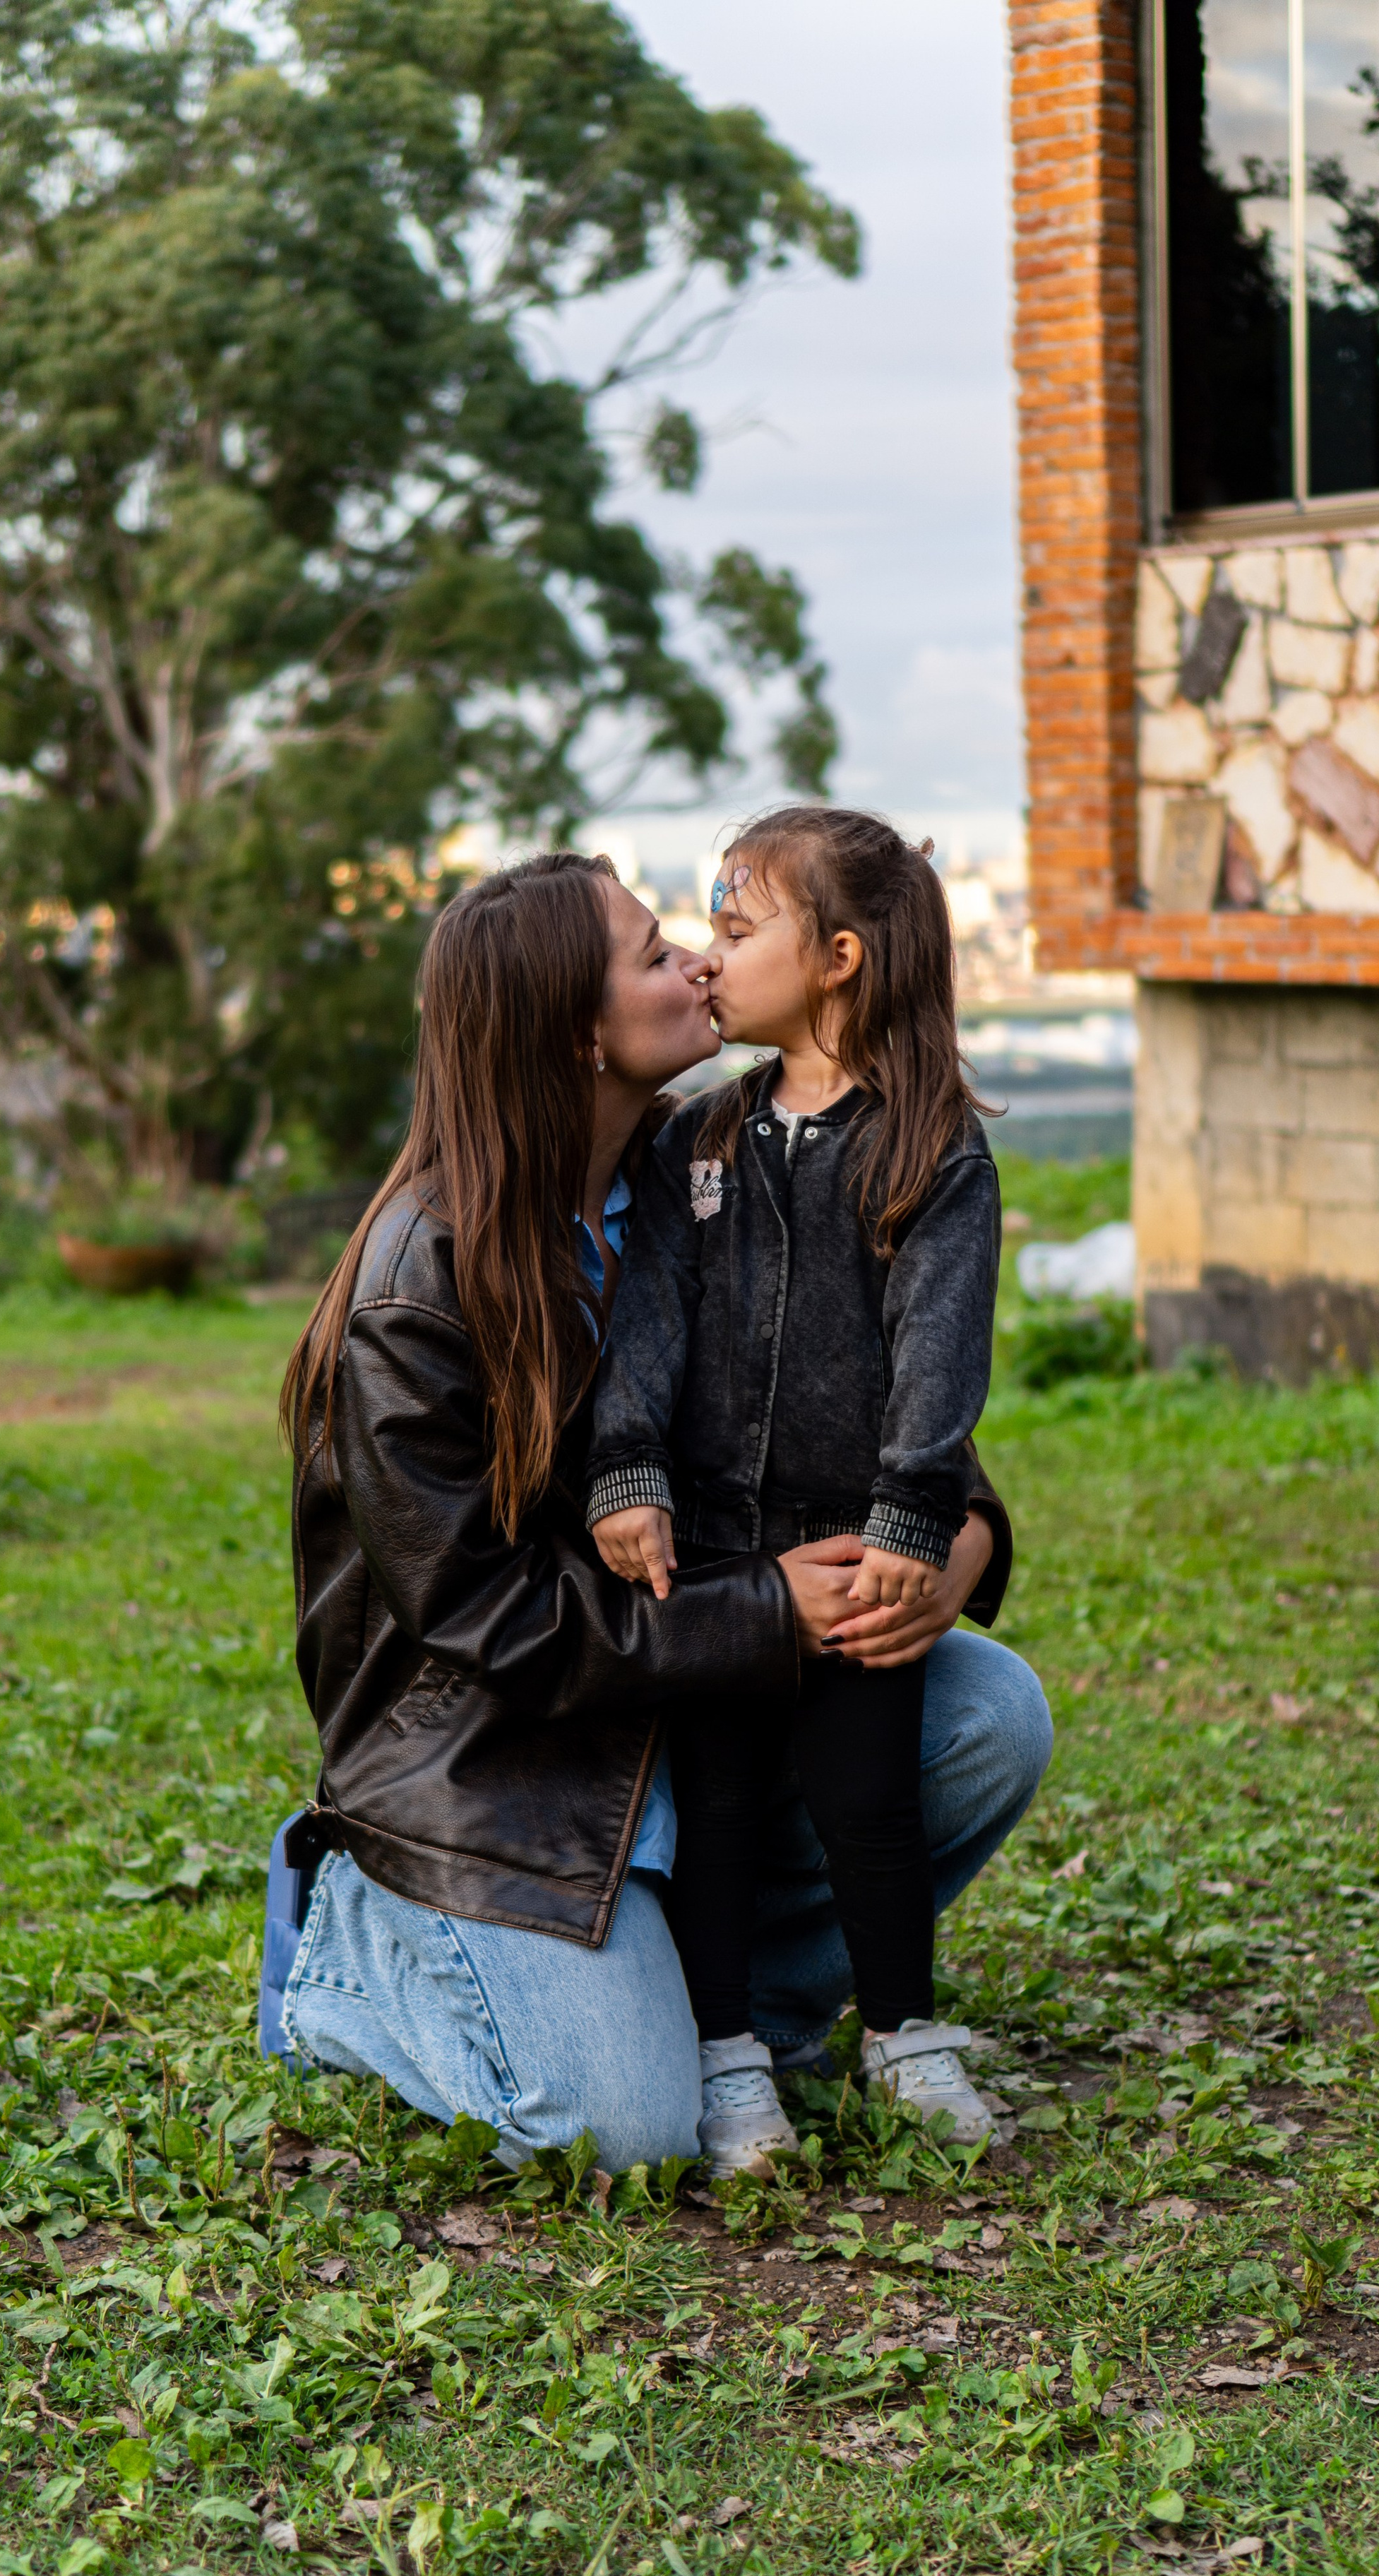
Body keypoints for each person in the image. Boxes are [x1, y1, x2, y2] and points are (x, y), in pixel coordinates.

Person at [261, 851, 1051, 2176]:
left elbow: (862, 1383)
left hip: (679, 1699)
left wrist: (962, 1532)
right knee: (618, 2131)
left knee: (987, 1716)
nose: (696, 958)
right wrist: (767, 1612)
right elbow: (483, 1620)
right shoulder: (418, 1288)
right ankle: (339, 1961)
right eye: (651, 954)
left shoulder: (711, 1163)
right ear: (578, 1032)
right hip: (501, 1761)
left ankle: (733, 2024)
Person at [587, 808, 1002, 2176]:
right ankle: (725, 2057)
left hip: (856, 1551)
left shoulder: (929, 1149)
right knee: (717, 1806)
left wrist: (914, 1519)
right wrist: (628, 1469)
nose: (708, 958)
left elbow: (940, 1354)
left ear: (837, 958)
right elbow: (646, 1323)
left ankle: (904, 2035)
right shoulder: (694, 1144)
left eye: (734, 928)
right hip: (711, 1563)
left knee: (866, 1799)